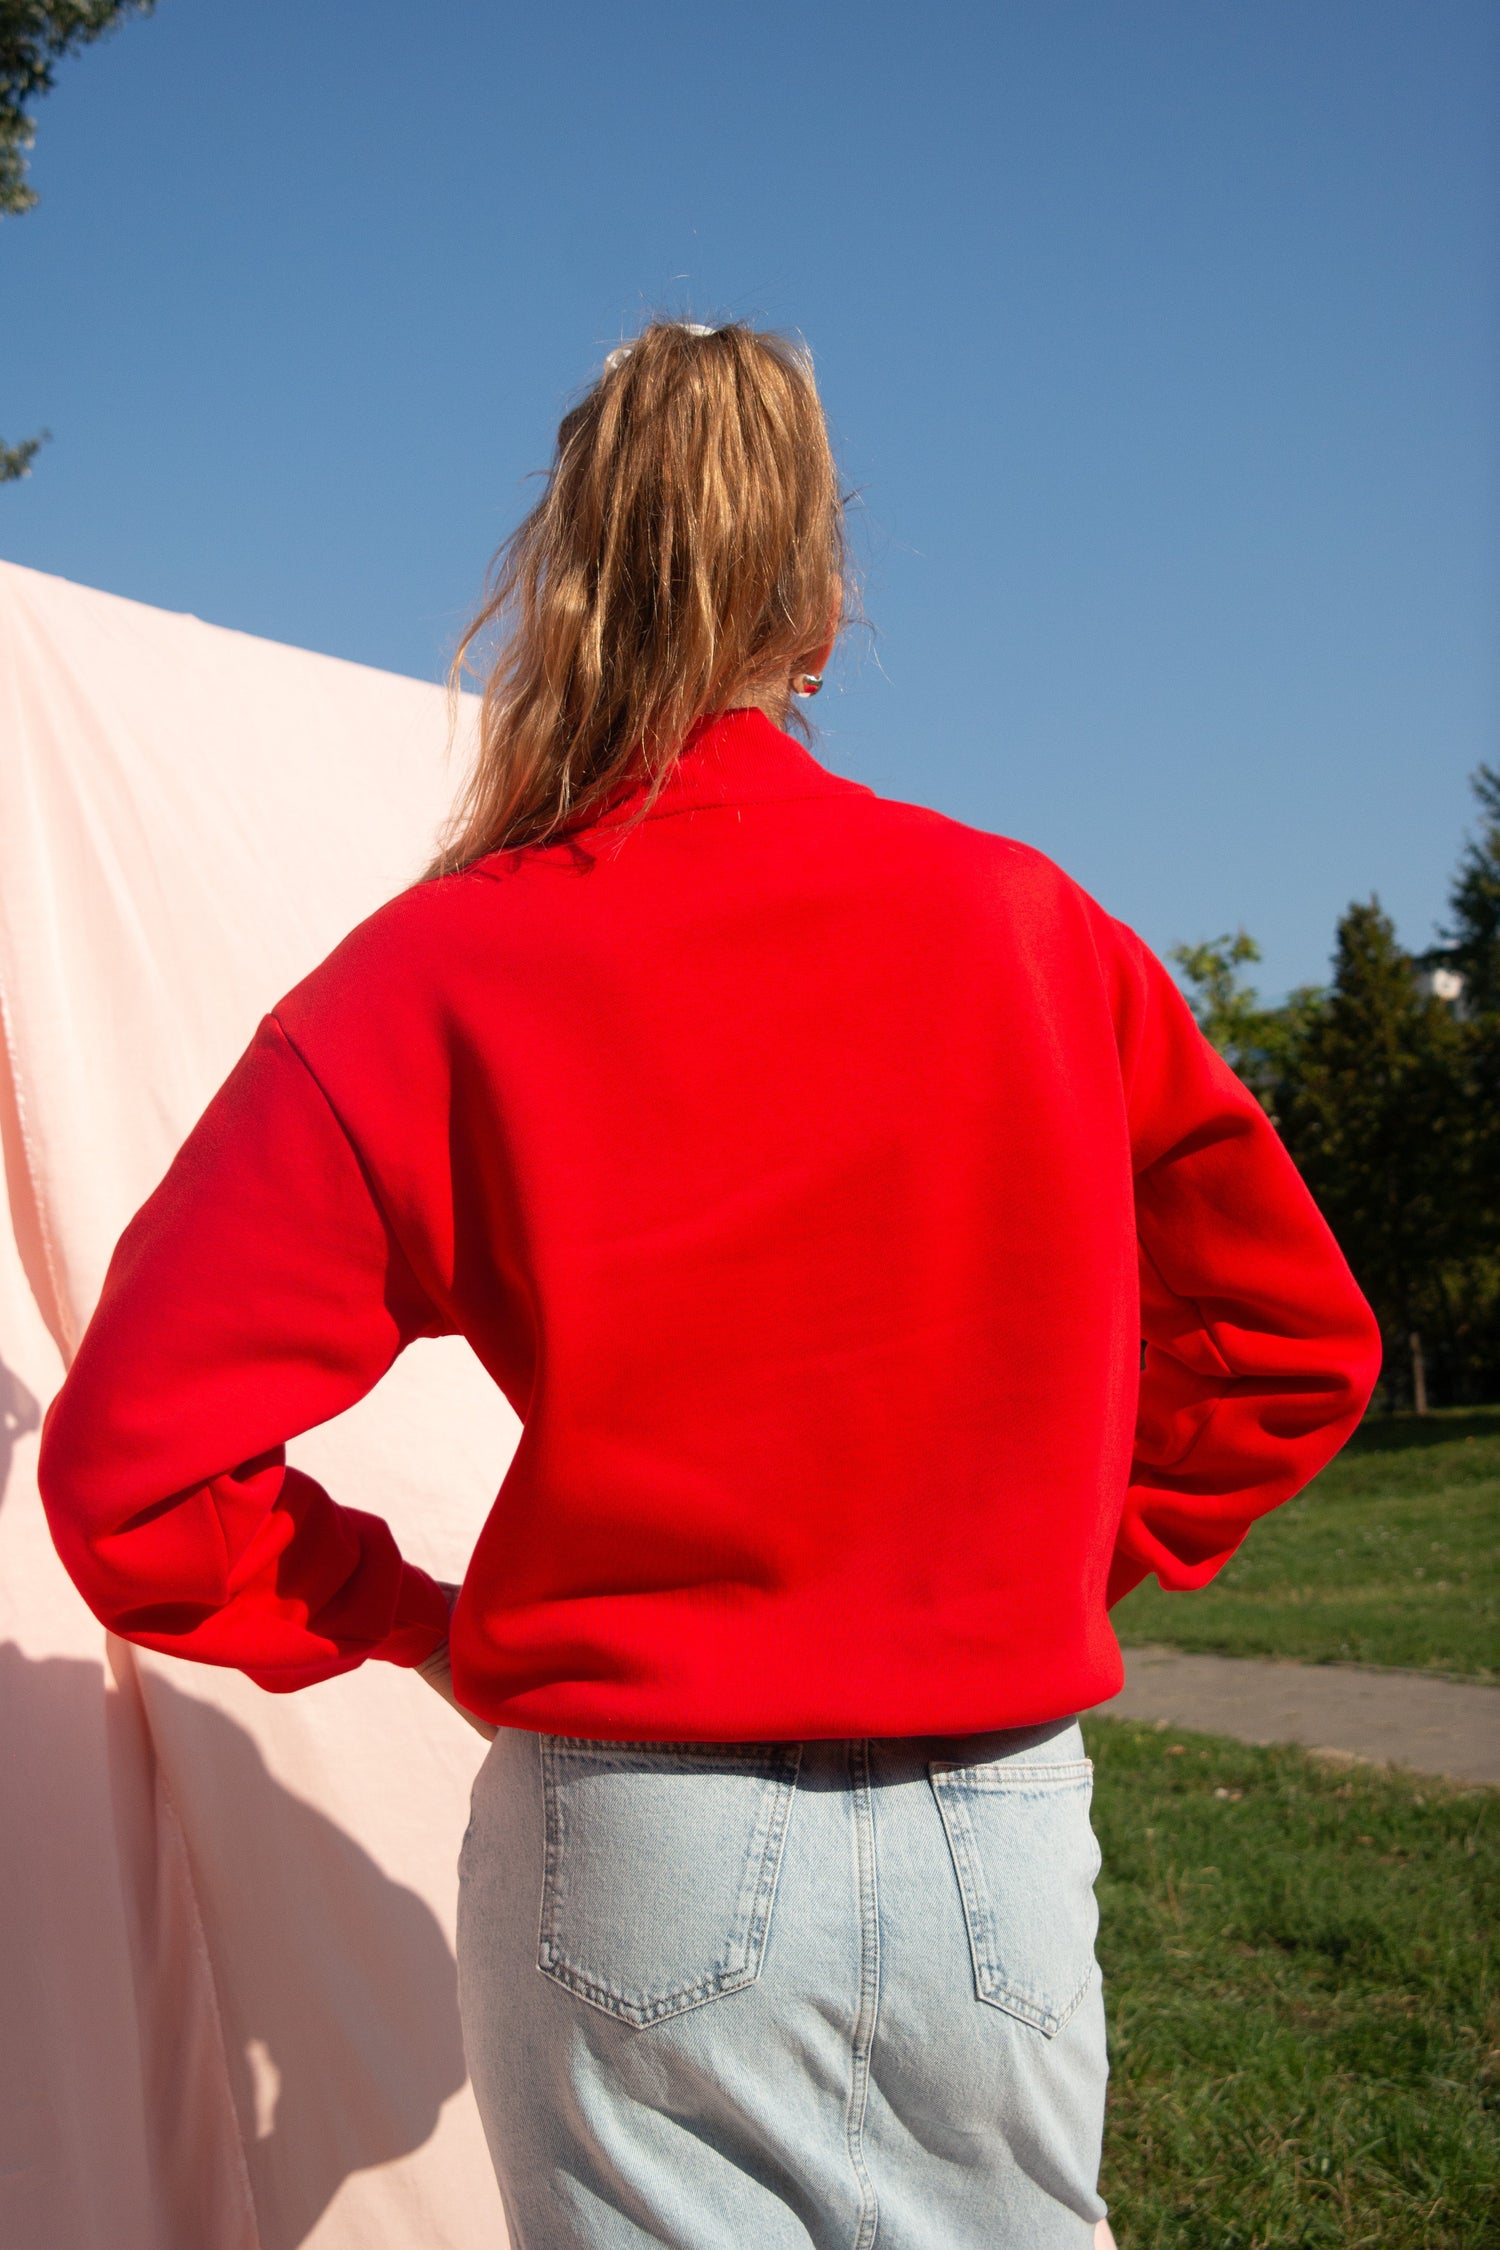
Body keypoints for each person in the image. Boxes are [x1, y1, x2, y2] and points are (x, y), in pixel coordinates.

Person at [38, 319, 1381, 2250]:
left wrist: (408, 1618)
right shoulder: (1033, 930)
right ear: (819, 609)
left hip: (630, 1833)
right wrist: (1063, 1554)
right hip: (991, 1826)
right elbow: (1294, 1341)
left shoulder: (433, 978)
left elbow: (131, 1478)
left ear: (565, 588)